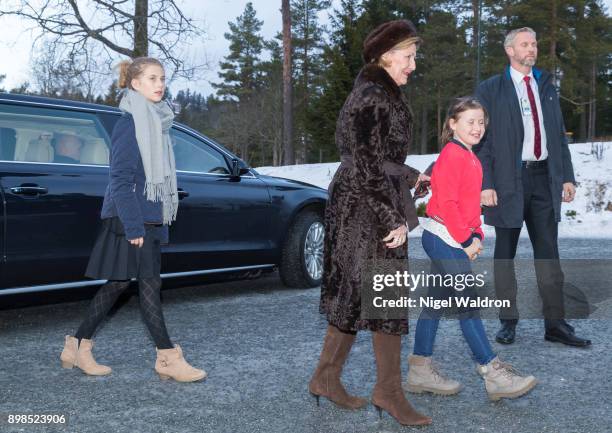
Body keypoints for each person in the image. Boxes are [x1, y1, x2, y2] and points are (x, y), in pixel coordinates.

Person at [308, 20, 431, 427]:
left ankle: (326, 378)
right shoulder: (372, 97)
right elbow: (365, 165)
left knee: (358, 294)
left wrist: (411, 177)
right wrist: (389, 218)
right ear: (388, 55)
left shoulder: (378, 94)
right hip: (364, 207)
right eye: (409, 56)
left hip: (366, 200)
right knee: (384, 295)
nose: (413, 65)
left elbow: (377, 157)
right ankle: (389, 392)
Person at [59, 57, 206, 382]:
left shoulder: (157, 123)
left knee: (119, 283)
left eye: (162, 78)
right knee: (149, 286)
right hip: (133, 220)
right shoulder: (130, 124)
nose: (159, 84)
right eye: (152, 78)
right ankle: (167, 358)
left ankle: (76, 346)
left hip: (148, 218)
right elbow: (120, 180)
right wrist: (135, 226)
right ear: (135, 84)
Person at [405, 97, 537, 401]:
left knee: (436, 304)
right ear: (452, 124)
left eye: (481, 122)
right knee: (468, 303)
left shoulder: (471, 157)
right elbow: (448, 205)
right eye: (469, 122)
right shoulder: (452, 155)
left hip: (452, 238)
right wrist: (466, 241)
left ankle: (419, 369)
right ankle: (492, 373)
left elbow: (469, 205)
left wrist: (476, 233)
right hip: (443, 239)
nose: (477, 128)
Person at [475, 27, 591, 347]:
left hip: (544, 179)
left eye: (535, 43)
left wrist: (566, 176)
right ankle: (507, 322)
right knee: (504, 256)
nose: (532, 49)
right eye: (525, 44)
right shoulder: (490, 90)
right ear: (510, 51)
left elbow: (557, 136)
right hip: (506, 183)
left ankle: (555, 324)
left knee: (549, 256)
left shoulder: (546, 86)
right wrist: (485, 184)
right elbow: (480, 143)